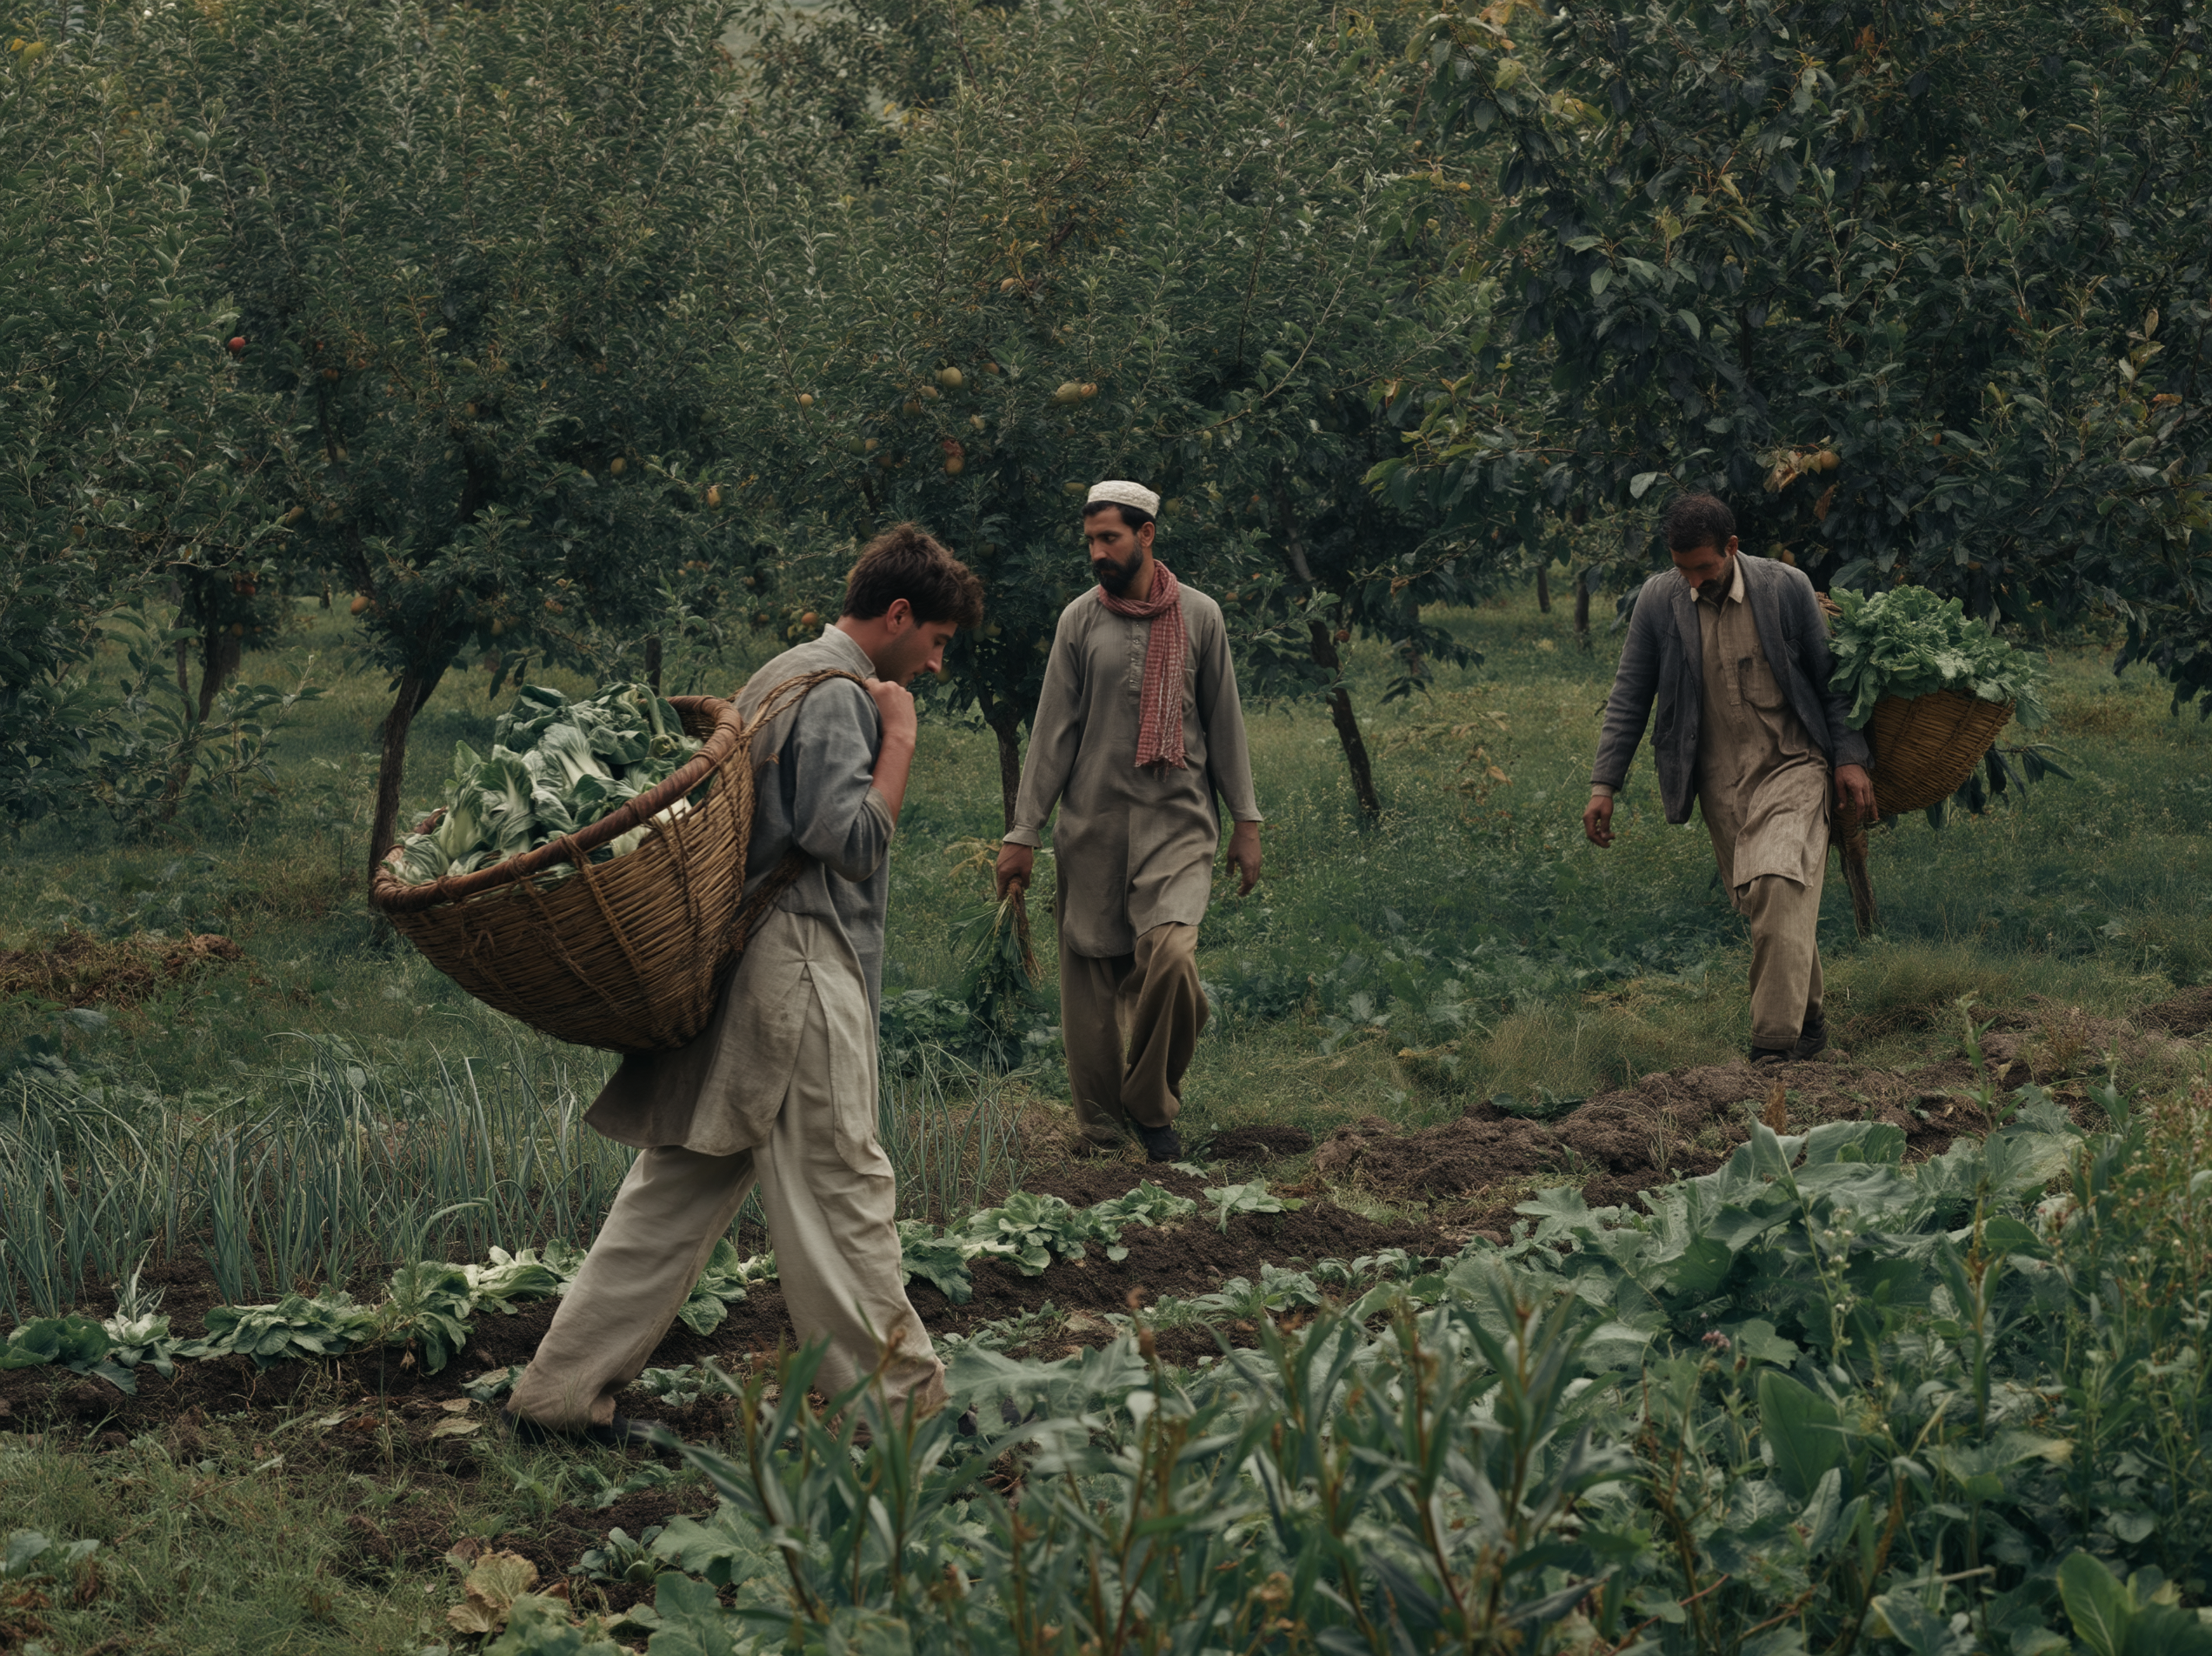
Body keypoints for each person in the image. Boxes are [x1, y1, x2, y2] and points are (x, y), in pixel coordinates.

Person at [506, 524, 984, 1445]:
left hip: (743, 965)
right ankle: (899, 1415)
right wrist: (903, 741)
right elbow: (849, 840)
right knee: (841, 1186)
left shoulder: (780, 672)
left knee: (673, 1191)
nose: (931, 664)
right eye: (935, 641)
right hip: (798, 966)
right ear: (897, 614)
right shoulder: (845, 693)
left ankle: (558, 1397)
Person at [994, 480, 1263, 1162]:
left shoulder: (1200, 617)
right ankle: (1103, 1132)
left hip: (1178, 823)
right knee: (1090, 989)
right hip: (1094, 825)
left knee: (1171, 959)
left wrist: (1246, 820)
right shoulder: (1080, 621)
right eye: (1089, 540)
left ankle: (1150, 1106)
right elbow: (1052, 732)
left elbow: (1224, 721)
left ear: (1146, 535)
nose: (1096, 553)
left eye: (1108, 537)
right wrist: (1023, 832)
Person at [1583, 492, 1877, 1065]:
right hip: (1717, 778)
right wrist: (1604, 785)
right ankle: (1812, 1022)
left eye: (1704, 567)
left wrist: (1850, 758)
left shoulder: (1785, 588)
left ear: (1732, 548)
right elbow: (1629, 695)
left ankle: (1772, 1048)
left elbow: (1832, 681)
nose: (1693, 580)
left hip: (1794, 763)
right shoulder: (1658, 600)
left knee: (1776, 882)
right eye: (1681, 567)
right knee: (1767, 903)